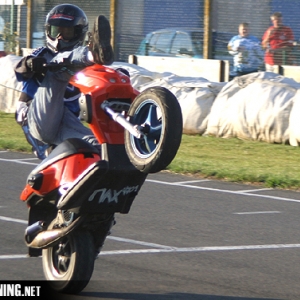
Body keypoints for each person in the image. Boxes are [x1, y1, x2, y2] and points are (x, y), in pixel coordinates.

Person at [14, 3, 114, 159]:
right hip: (39, 120)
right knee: (59, 66)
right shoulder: (43, 54)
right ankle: (92, 53)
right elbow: (20, 68)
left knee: (97, 147)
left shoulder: (85, 68)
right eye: (56, 31)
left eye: (66, 32)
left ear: (78, 33)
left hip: (64, 125)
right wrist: (30, 64)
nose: (60, 37)